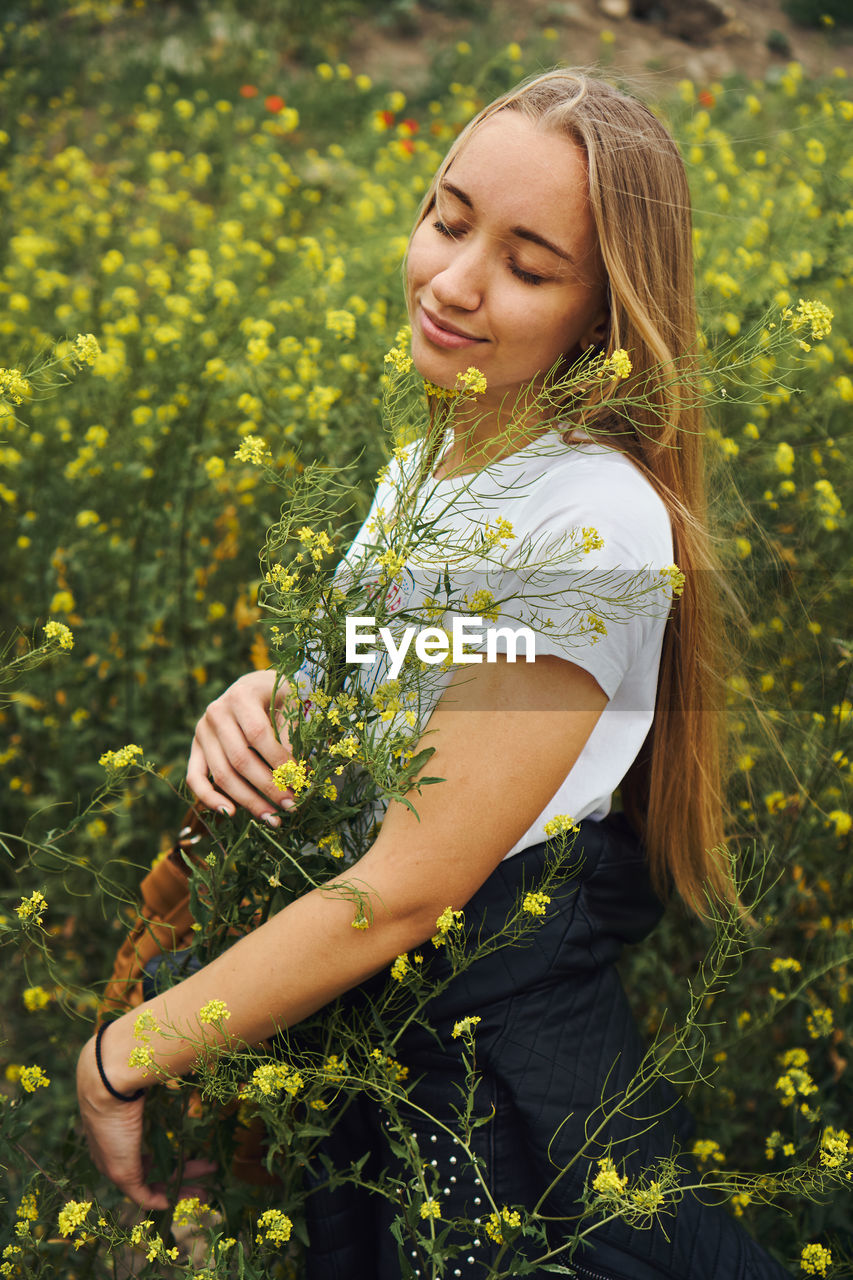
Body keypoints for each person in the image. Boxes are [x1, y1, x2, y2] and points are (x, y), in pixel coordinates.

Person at [77, 70, 792, 1279]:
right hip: (395, 1039)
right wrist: (266, 703)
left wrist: (124, 1056)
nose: (455, 281)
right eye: (449, 220)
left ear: (601, 312)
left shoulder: (588, 517)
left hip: (497, 1080)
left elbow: (408, 888)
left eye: (527, 262)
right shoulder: (431, 468)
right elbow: (399, 703)